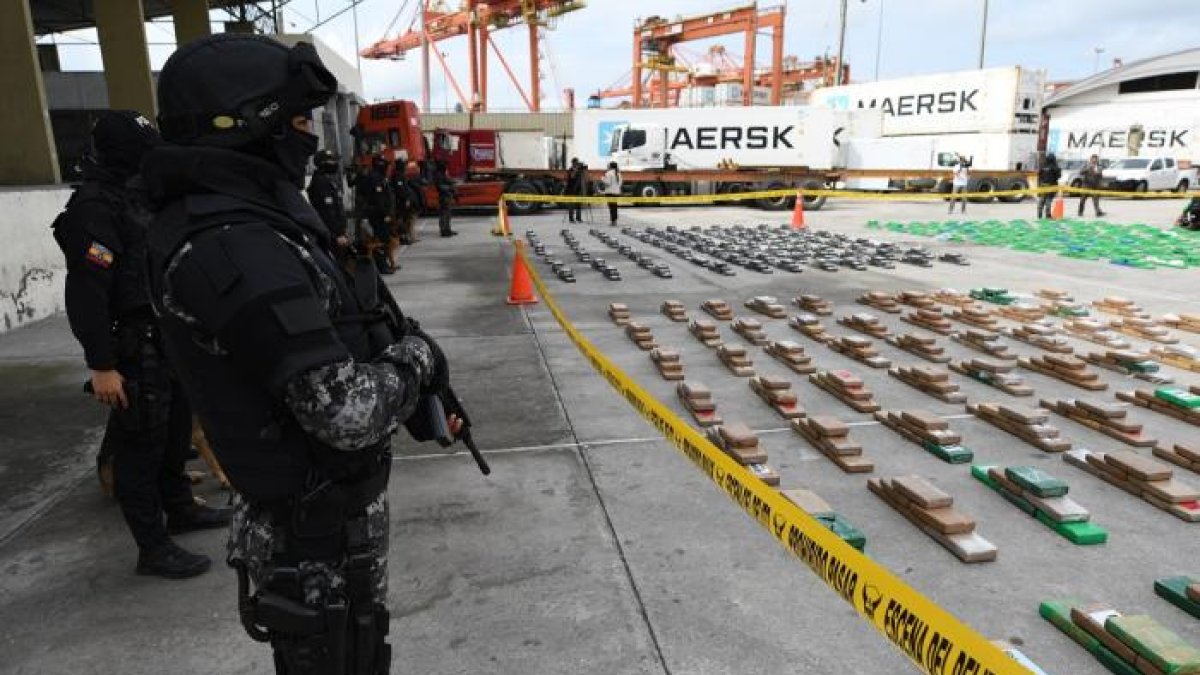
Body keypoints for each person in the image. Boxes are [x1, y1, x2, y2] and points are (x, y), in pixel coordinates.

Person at [146, 34, 463, 673]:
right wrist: (418, 361)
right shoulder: (236, 246)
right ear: (246, 123)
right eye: (295, 122)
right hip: (311, 540)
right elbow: (344, 412)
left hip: (326, 527)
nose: (310, 138)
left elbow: (340, 330)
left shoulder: (253, 227)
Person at [51, 110, 230, 579]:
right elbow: (87, 291)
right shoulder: (93, 208)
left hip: (164, 333)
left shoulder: (135, 197)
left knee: (173, 435)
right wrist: (102, 364)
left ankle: (181, 510)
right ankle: (153, 547)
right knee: (140, 448)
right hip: (132, 345)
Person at [357, 154, 394, 273]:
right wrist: (385, 214)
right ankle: (382, 266)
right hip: (378, 214)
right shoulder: (375, 178)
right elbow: (379, 199)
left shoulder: (379, 177)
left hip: (379, 213)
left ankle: (385, 264)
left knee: (384, 239)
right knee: (380, 240)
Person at [306, 149, 349, 251]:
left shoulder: (327, 180)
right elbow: (327, 212)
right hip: (332, 235)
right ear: (322, 163)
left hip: (336, 234)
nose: (335, 164)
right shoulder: (320, 183)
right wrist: (337, 234)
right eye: (332, 161)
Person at [432, 160, 458, 237]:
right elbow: (440, 187)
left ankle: (447, 229)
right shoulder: (439, 175)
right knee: (444, 214)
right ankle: (444, 230)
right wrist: (450, 188)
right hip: (444, 196)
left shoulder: (442, 174)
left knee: (447, 214)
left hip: (447, 196)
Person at [1036, 153, 1062, 220]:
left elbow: (1039, 175)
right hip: (1051, 186)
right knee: (1048, 200)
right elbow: (1059, 176)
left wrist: (1039, 184)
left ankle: (1039, 215)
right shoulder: (1055, 167)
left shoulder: (1043, 166)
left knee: (1042, 200)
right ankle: (1048, 215)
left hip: (1043, 185)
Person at [564, 157, 587, 223]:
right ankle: (571, 219)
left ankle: (578, 218)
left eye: (578, 163)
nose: (577, 164)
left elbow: (584, 177)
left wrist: (582, 169)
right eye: (576, 163)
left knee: (578, 205)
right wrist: (576, 170)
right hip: (571, 190)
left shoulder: (579, 171)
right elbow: (572, 176)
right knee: (571, 205)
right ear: (573, 163)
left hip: (578, 190)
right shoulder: (570, 170)